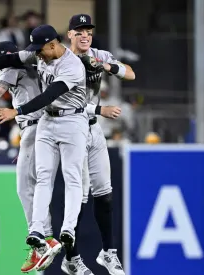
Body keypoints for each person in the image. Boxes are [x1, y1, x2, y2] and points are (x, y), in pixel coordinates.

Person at [0, 24, 114, 272]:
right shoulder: (37, 61)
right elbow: (12, 59)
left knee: (28, 188)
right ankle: (52, 241)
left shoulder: (18, 71)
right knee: (46, 184)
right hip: (45, 126)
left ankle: (44, 240)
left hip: (40, 126)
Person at [60, 14, 136, 275]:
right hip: (71, 131)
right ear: (69, 34)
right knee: (78, 198)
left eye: (88, 31)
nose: (84, 35)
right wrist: (101, 108)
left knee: (105, 193)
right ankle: (71, 257)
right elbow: (64, 101)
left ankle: (108, 252)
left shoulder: (98, 54)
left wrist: (106, 67)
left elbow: (130, 73)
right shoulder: (60, 60)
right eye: (79, 31)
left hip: (93, 131)